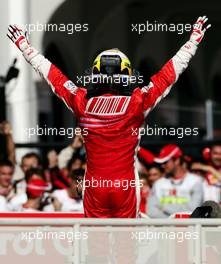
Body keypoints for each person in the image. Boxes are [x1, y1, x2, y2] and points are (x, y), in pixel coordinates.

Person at [7, 16, 210, 218]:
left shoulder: (82, 101)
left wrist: (25, 47)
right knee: (128, 244)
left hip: (94, 187)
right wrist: (192, 41)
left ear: (95, 74)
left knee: (95, 245)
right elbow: (168, 75)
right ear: (126, 75)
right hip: (125, 186)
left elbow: (53, 77)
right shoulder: (137, 103)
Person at [148, 144, 203, 218]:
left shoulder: (195, 181)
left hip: (190, 227)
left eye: (165, 162)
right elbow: (151, 211)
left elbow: (194, 209)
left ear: (177, 160)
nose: (162, 165)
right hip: (165, 227)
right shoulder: (158, 183)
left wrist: (162, 207)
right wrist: (170, 223)